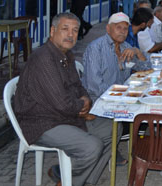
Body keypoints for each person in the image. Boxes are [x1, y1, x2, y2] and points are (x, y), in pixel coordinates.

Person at [13, 13, 114, 186]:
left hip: (63, 116)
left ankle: (81, 181)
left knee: (112, 129)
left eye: (75, 31)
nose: (70, 35)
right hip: (41, 122)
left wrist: (84, 99)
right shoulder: (44, 59)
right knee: (91, 146)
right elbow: (63, 104)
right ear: (53, 31)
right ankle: (68, 181)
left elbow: (78, 85)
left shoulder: (66, 55)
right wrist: (83, 104)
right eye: (65, 29)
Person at [81, 12, 148, 101]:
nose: (122, 32)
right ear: (108, 29)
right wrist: (122, 95)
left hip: (121, 97)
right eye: (118, 27)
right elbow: (95, 87)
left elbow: (145, 70)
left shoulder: (126, 47)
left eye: (125, 29)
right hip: (100, 101)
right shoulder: (95, 49)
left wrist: (137, 52)